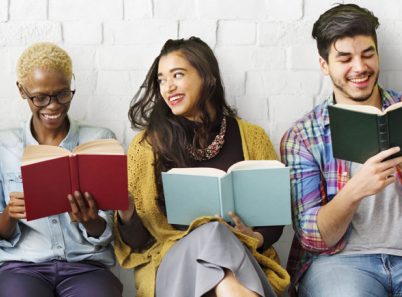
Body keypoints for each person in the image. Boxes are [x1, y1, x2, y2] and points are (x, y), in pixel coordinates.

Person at [282, 4, 402, 296]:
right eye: (345, 58)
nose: (360, 67)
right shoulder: (303, 136)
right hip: (338, 264)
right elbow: (313, 238)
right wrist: (356, 189)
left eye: (368, 54)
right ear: (324, 64)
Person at [114, 37, 289, 297]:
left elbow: (274, 218)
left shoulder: (252, 137)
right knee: (212, 230)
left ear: (207, 77)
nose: (168, 87)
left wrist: (255, 237)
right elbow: (140, 243)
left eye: (178, 75)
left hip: (244, 257)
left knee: (221, 262)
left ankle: (229, 285)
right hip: (174, 267)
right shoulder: (146, 146)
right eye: (162, 79)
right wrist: (127, 212)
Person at [0, 42, 124, 297]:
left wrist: (91, 223)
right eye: (40, 97)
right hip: (20, 267)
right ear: (22, 91)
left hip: (86, 267)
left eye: (62, 94)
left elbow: (107, 229)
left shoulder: (100, 140)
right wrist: (10, 215)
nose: (53, 105)